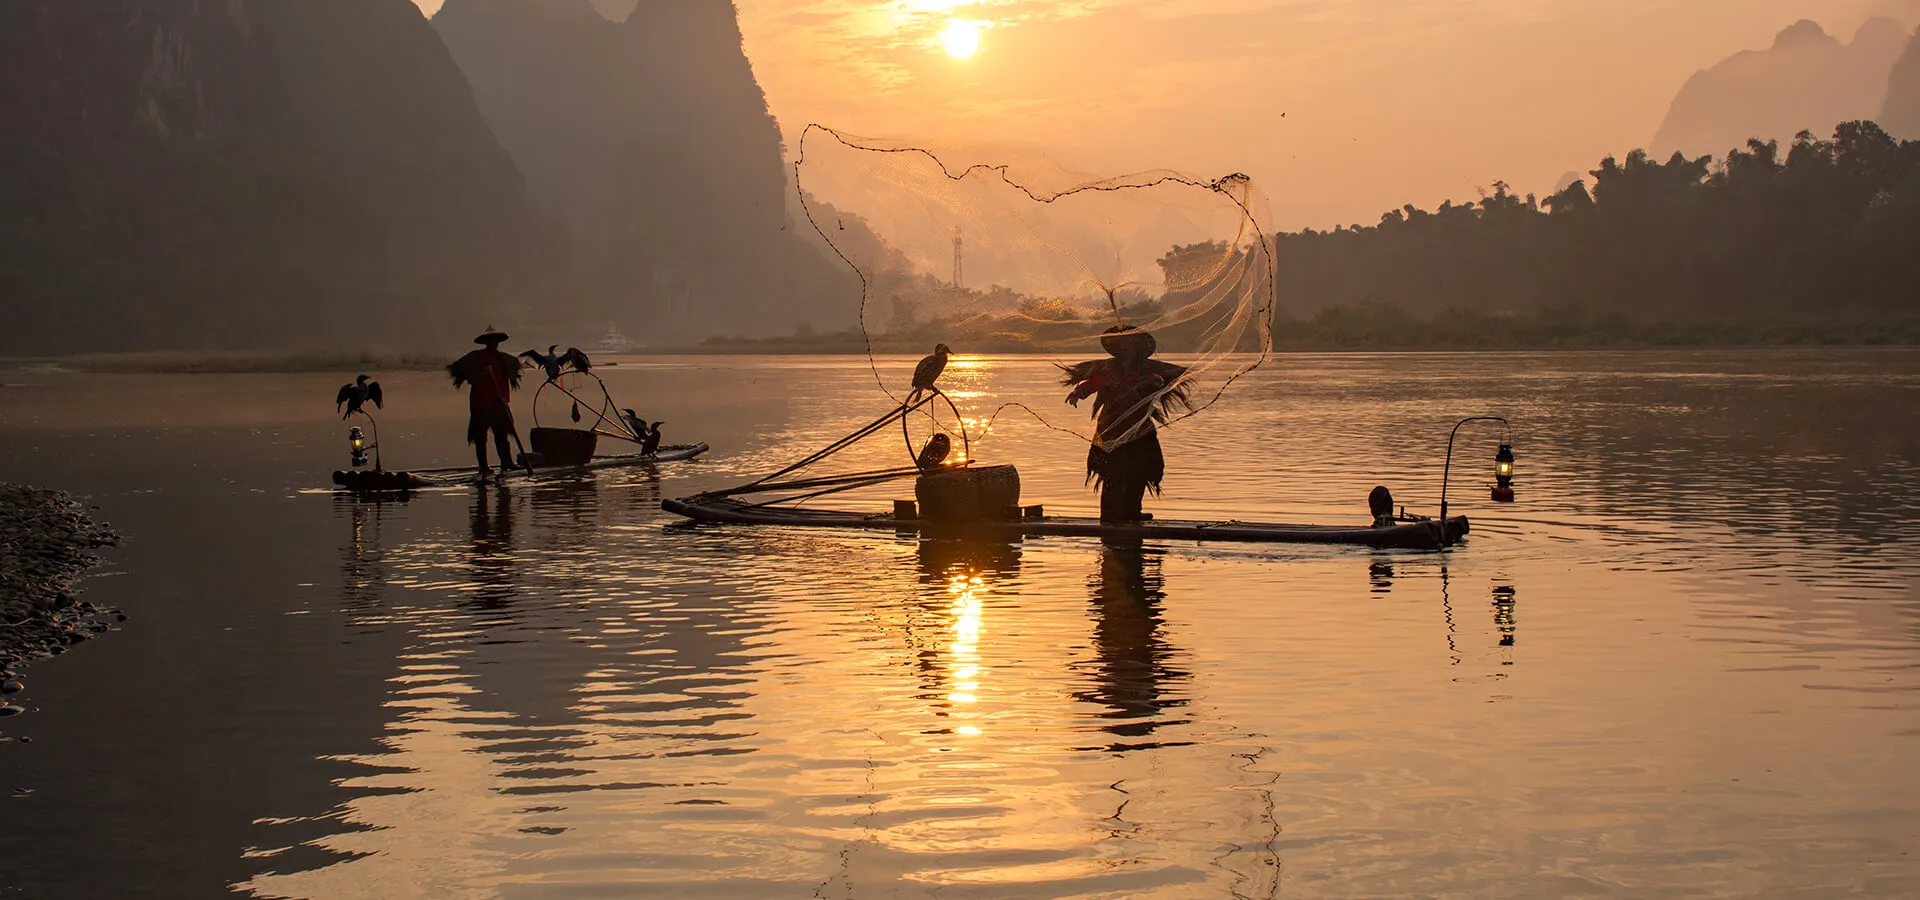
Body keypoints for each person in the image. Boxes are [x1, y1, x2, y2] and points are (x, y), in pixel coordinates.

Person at [1061, 325, 1189, 522]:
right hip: (1111, 429)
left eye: (1131, 342)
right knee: (1111, 473)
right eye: (1122, 343)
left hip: (1139, 429)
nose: (1126, 346)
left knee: (1141, 470)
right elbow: (1095, 382)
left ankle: (1132, 512)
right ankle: (1109, 515)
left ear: (1138, 346)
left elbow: (1160, 379)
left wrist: (1154, 383)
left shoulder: (1147, 369)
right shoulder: (1108, 368)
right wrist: (1079, 392)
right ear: (1117, 346)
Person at [447, 326, 523, 482]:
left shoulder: (504, 359)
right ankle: (484, 466)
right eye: (490, 341)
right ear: (486, 342)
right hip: (480, 402)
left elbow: (516, 365)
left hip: (499, 402)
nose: (493, 343)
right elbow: (457, 368)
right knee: (480, 436)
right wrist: (476, 374)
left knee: (501, 433)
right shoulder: (475, 358)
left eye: (495, 341)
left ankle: (506, 462)